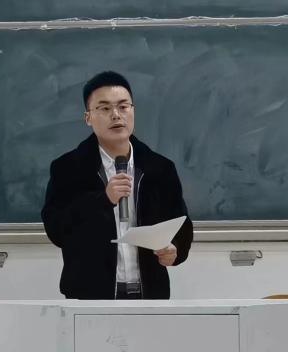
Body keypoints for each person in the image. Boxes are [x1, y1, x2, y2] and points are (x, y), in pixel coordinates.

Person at [41, 71, 192, 299]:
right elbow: (56, 230)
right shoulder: (68, 168)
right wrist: (103, 200)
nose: (116, 115)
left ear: (133, 111)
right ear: (88, 117)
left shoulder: (160, 168)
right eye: (104, 108)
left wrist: (175, 250)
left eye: (123, 107)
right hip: (89, 297)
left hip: (149, 295)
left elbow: (182, 225)